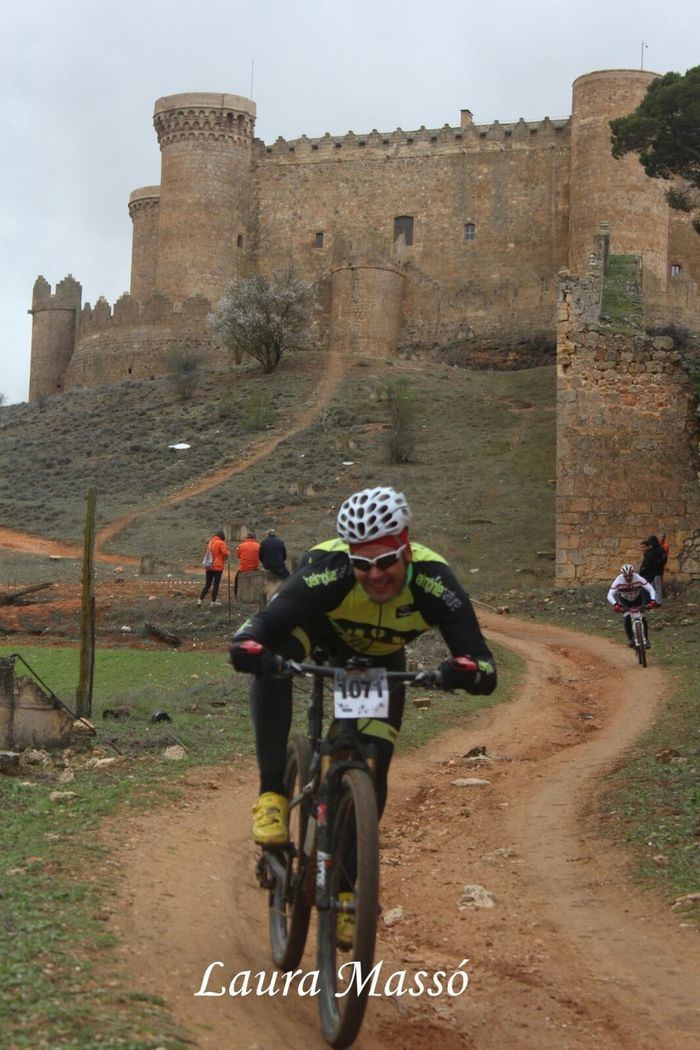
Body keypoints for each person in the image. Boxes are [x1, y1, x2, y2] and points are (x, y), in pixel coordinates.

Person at [230, 486, 496, 884]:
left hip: (377, 663)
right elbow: (266, 622)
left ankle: (347, 885)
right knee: (274, 662)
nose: (374, 574)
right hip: (321, 635)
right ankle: (272, 795)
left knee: (374, 770)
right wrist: (247, 644)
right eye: (363, 563)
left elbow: (482, 663)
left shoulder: (433, 579)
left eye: (386, 561)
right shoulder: (330, 568)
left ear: (406, 549)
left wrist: (466, 671)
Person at [607, 563, 657, 648]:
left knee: (643, 618)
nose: (628, 578)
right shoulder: (618, 581)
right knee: (627, 618)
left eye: (630, 576)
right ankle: (630, 639)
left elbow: (651, 589)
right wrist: (615, 605)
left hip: (638, 599)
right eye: (625, 576)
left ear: (633, 573)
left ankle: (646, 639)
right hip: (624, 601)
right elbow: (609, 595)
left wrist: (653, 600)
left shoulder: (638, 578)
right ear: (622, 575)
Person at [198, 529, 228, 606]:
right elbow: (224, 553)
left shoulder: (210, 542)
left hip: (209, 566)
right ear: (222, 537)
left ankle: (200, 600)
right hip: (217, 567)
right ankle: (213, 602)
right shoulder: (221, 543)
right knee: (216, 584)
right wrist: (227, 554)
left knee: (207, 584)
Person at [640, 535, 666, 605]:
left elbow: (662, 559)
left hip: (655, 571)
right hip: (655, 571)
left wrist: (657, 563)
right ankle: (655, 601)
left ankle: (657, 601)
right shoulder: (659, 549)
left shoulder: (656, 550)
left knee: (655, 586)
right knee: (654, 587)